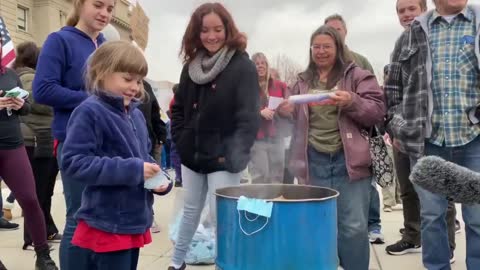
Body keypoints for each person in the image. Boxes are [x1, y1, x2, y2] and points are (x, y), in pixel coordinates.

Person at [279, 25, 386, 270]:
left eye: (327, 46)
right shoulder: (302, 81)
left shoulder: (356, 76)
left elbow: (377, 111)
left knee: (353, 227)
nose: (321, 51)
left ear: (338, 47)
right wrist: (285, 113)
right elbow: (294, 122)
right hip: (313, 160)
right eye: (316, 46)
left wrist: (352, 100)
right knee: (317, 224)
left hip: (349, 163)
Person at [60, 40, 172, 270]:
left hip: (133, 219)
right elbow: (74, 162)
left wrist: (158, 179)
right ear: (102, 73)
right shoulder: (90, 111)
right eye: (127, 79)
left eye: (139, 81)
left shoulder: (136, 115)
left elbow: (143, 157)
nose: (135, 86)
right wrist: (133, 170)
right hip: (107, 220)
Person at [385, 1, 480, 268]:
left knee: (477, 217)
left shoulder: (477, 24)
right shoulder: (412, 34)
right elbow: (393, 89)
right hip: (428, 143)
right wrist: (400, 126)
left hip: (474, 138)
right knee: (431, 216)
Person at [168, 3, 260, 269]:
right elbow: (179, 109)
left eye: (217, 29)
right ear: (196, 33)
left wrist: (237, 155)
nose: (211, 36)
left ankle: (226, 264)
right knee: (190, 211)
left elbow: (249, 116)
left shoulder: (242, 65)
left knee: (223, 216)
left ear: (227, 29)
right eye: (204, 30)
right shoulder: (190, 67)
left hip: (224, 156)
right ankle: (177, 262)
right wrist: (181, 140)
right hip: (193, 153)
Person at [32, 0, 115, 268]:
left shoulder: (104, 44)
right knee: (80, 215)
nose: (104, 13)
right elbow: (43, 90)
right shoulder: (59, 40)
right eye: (98, 5)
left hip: (107, 140)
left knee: (102, 215)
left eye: (110, 8)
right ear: (79, 5)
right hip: (74, 140)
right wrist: (93, 99)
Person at [0, 39, 58, 269]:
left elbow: (26, 108)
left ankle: (42, 255)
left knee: (31, 199)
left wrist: (18, 103)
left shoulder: (11, 75)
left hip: (13, 145)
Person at [13, 41, 62, 250]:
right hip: (35, 139)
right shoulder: (31, 78)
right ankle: (33, 237)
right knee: (39, 192)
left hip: (40, 138)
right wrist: (60, 97)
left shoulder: (23, 76)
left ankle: (46, 230)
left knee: (43, 191)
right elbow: (38, 102)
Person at [248, 52, 289, 184]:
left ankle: (276, 204)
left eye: (263, 63)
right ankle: (260, 204)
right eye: (256, 64)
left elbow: (291, 108)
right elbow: (241, 109)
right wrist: (259, 112)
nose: (260, 66)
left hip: (276, 136)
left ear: (267, 65)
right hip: (257, 138)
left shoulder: (280, 86)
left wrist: (285, 109)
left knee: (277, 176)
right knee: (261, 176)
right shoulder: (246, 87)